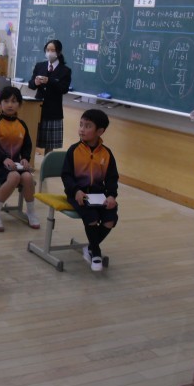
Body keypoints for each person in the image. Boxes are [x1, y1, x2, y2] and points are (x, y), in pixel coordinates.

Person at [61, 108, 118, 272]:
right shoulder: (74, 150)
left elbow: (112, 178)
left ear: (100, 131)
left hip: (99, 195)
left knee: (110, 218)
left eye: (87, 126)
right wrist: (76, 191)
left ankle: (91, 247)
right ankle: (96, 252)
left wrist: (111, 196)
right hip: (78, 194)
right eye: (81, 125)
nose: (82, 129)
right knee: (91, 216)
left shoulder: (107, 154)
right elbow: (66, 175)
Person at [0, 86, 40, 231]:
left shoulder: (22, 125)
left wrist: (25, 158)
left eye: (14, 101)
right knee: (14, 177)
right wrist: (3, 159)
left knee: (27, 177)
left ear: (19, 104)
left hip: (14, 164)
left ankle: (31, 212)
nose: (10, 105)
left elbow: (27, 145)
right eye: (6, 101)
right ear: (0, 103)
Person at [27, 39, 72, 154]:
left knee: (49, 145)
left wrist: (49, 81)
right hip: (38, 108)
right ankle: (29, 161)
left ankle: (47, 163)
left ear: (59, 52)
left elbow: (64, 89)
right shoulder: (40, 66)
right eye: (47, 50)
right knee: (32, 138)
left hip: (53, 110)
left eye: (52, 50)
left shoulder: (65, 70)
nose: (49, 53)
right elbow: (31, 85)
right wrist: (35, 82)